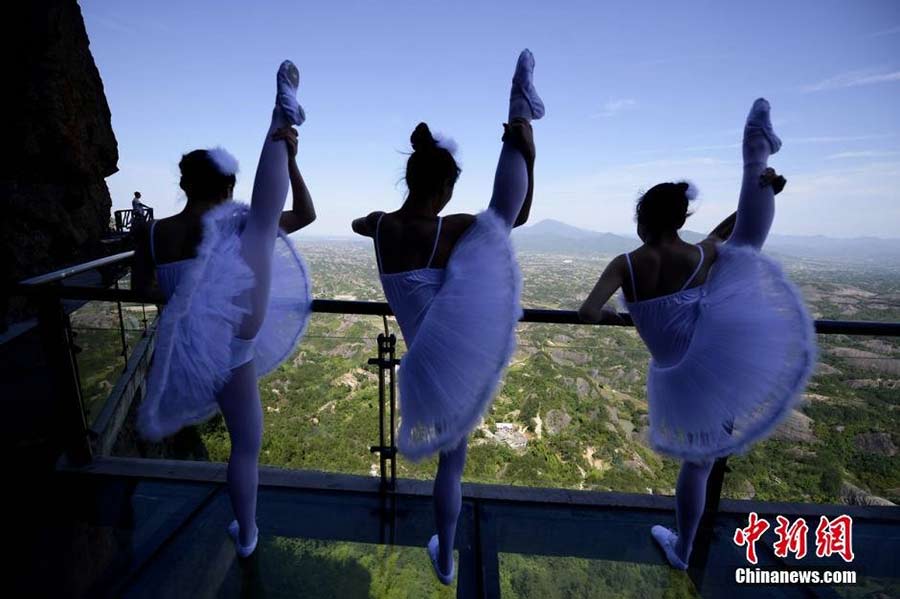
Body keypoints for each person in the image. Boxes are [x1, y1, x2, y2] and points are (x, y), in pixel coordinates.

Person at [578, 98, 816, 570]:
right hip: (718, 365)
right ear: (681, 220)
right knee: (745, 249)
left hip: (675, 376)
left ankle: (682, 549)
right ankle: (759, 166)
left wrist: (616, 317)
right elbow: (726, 234)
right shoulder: (700, 255)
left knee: (696, 463)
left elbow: (587, 312)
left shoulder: (625, 264)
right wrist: (757, 201)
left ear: (642, 219)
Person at [352, 49, 544, 585]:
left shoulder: (380, 225)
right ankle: (519, 119)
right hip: (450, 365)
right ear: (442, 188)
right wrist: (528, 155)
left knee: (449, 463)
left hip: (421, 359)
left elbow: (357, 222)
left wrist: (374, 219)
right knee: (452, 467)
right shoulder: (449, 227)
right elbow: (515, 214)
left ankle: (444, 556)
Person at [131, 60, 315, 558]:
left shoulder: (152, 232)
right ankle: (279, 131)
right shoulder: (233, 224)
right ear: (228, 187)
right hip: (237, 340)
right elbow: (306, 214)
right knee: (246, 446)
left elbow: (142, 289)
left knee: (259, 225)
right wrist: (293, 161)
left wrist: (187, 297)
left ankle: (279, 123)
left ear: (185, 185)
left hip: (193, 348)